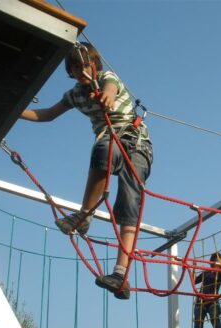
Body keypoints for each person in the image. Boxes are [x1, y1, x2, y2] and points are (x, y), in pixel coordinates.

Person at [20, 42, 153, 300]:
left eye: (86, 65)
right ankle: (85, 216)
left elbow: (111, 88)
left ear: (96, 64)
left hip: (136, 142)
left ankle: (121, 274)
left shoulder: (106, 78)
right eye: (76, 68)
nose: (83, 70)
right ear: (70, 72)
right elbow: (47, 114)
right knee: (103, 150)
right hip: (110, 140)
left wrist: (108, 96)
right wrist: (17, 113)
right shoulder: (74, 95)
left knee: (128, 206)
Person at [193, 252, 221, 328]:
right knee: (198, 326)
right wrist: (193, 267)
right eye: (214, 259)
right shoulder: (206, 273)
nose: (216, 261)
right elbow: (194, 281)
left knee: (215, 319)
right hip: (200, 301)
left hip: (213, 300)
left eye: (218, 259)